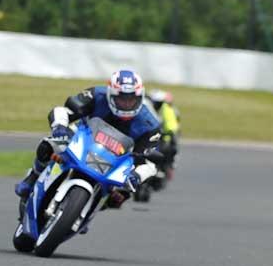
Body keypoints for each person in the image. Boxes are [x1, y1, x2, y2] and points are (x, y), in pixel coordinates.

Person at [14, 69, 162, 208]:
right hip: (83, 139)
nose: (127, 104)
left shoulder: (149, 124)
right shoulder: (96, 95)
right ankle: (32, 178)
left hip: (118, 161)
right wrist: (60, 127)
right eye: (121, 99)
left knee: (118, 198)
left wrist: (136, 176)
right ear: (110, 94)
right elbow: (62, 111)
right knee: (49, 145)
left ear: (140, 97)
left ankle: (84, 209)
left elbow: (149, 163)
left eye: (131, 100)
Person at [146, 88, 180, 182]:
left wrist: (169, 132)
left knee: (171, 148)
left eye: (158, 102)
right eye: (154, 102)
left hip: (164, 137)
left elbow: (172, 125)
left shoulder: (168, 110)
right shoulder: (147, 108)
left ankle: (169, 166)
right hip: (151, 135)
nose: (156, 104)